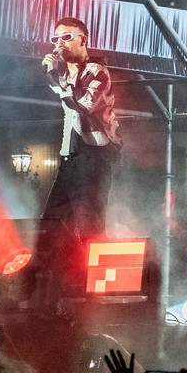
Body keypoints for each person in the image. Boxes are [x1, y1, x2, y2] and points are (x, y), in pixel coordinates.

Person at [39, 16, 121, 243]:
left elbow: (83, 107)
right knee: (50, 227)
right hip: (69, 160)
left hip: (93, 159)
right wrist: (56, 78)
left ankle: (94, 264)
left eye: (66, 37)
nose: (59, 43)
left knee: (89, 230)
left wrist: (53, 79)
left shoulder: (97, 71)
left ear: (83, 40)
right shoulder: (64, 76)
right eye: (55, 38)